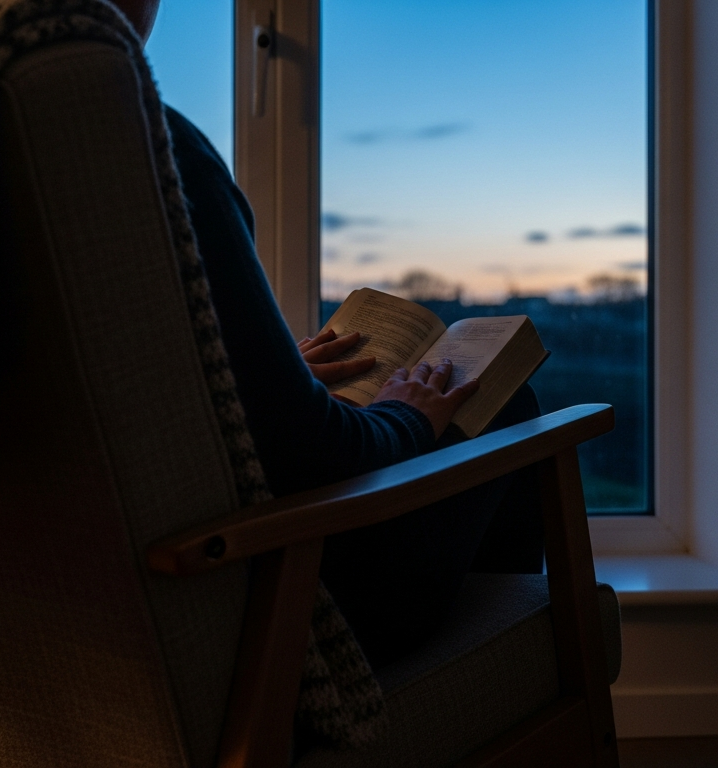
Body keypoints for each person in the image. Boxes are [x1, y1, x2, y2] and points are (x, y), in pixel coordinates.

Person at [114, 0, 543, 668]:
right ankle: (509, 676)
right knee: (506, 404)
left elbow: (121, 402)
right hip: (275, 615)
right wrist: (405, 415)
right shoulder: (151, 147)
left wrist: (250, 384)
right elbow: (318, 460)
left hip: (95, 617)